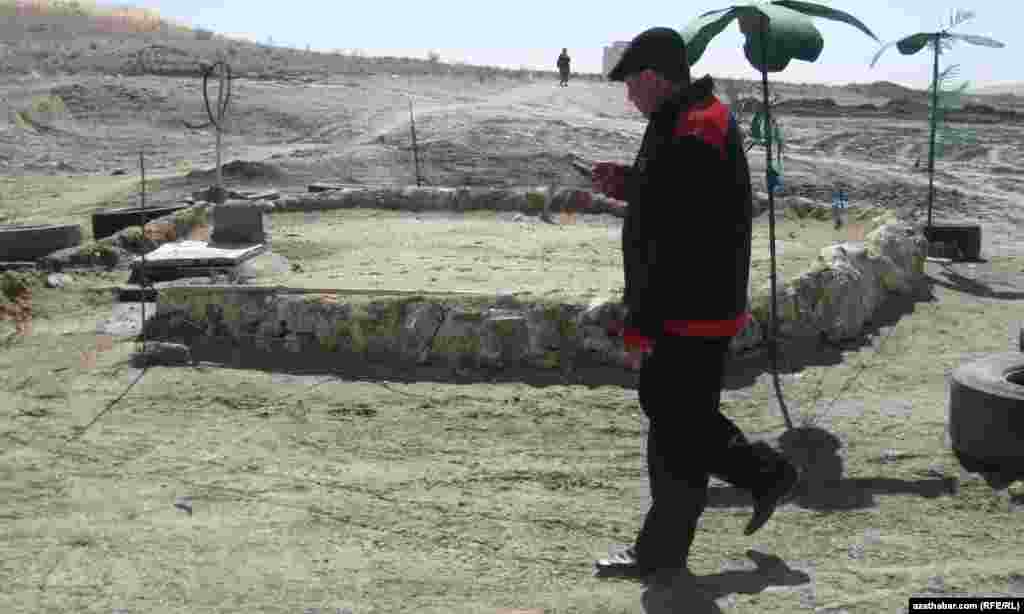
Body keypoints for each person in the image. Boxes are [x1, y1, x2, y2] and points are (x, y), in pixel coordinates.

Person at [580, 26, 800, 582]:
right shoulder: (693, 116)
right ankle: (758, 478)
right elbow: (675, 198)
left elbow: (671, 242)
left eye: (631, 83)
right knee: (681, 421)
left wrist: (640, 326)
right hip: (701, 304)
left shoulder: (692, 128)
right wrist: (629, 183)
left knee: (675, 425)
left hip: (688, 308)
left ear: (653, 78)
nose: (628, 96)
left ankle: (668, 549)